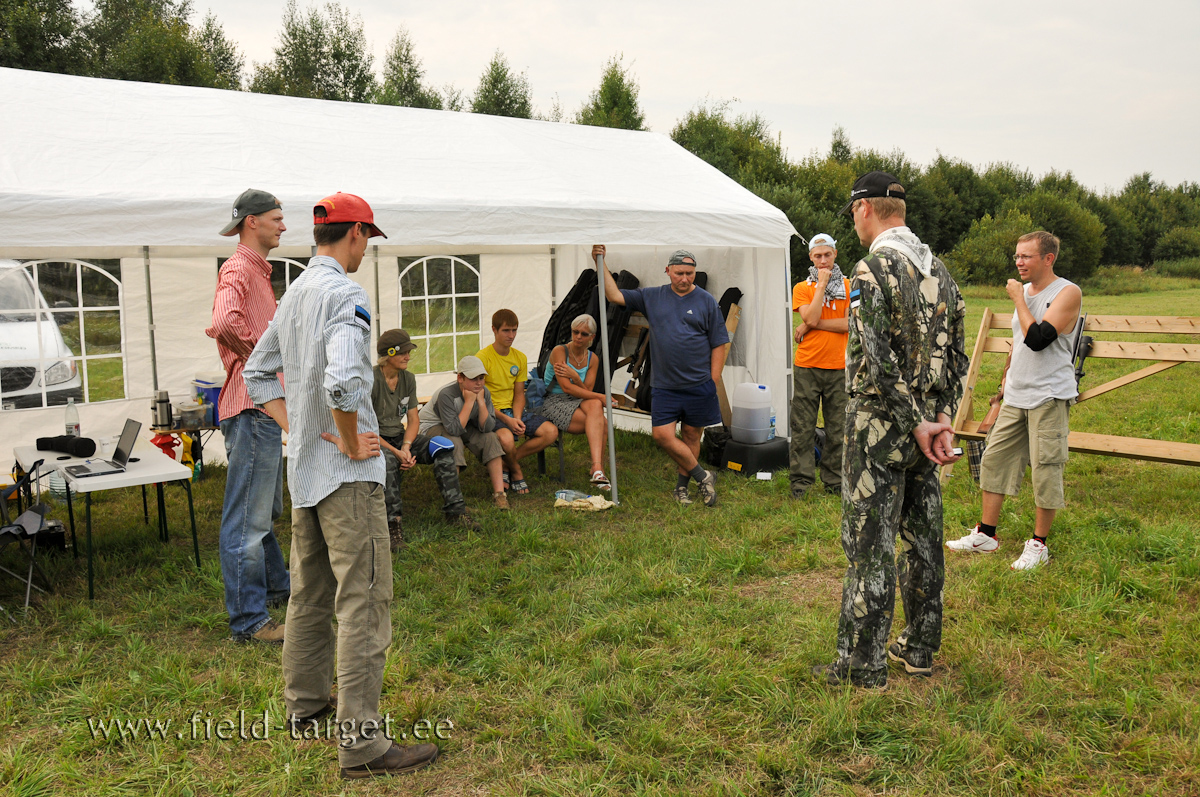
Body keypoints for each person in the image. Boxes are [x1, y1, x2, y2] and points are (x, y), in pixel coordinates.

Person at [244, 193, 439, 778]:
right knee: (365, 602)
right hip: (347, 479)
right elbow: (344, 384)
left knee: (309, 596)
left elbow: (257, 372)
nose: (366, 250)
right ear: (354, 235)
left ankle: (305, 707)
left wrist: (299, 429)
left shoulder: (297, 291)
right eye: (367, 239)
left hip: (305, 475)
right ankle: (361, 743)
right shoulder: (345, 295)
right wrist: (351, 438)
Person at [814, 171, 969, 689]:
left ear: (864, 210)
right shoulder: (940, 271)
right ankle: (920, 647)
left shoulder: (870, 269)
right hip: (926, 429)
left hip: (881, 427)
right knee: (922, 540)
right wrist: (941, 418)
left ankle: (862, 665)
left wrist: (919, 422)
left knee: (869, 543)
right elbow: (957, 358)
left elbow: (873, 359)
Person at [947, 231, 1081, 570]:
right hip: (1017, 394)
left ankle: (1039, 545)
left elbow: (1039, 339)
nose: (1018, 262)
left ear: (1048, 259)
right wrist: (1007, 377)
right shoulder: (1025, 292)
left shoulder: (1067, 292)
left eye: (1026, 256)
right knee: (994, 459)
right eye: (1017, 256)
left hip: (1049, 395)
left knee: (1045, 469)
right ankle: (987, 534)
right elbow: (1020, 342)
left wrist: (1019, 300)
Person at [206, 188, 290, 646]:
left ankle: (279, 587)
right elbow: (222, 323)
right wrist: (258, 363)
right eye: (277, 218)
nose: (283, 225)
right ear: (251, 222)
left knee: (264, 510)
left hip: (258, 407)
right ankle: (251, 623)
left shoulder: (256, 271)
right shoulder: (238, 267)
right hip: (252, 405)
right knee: (247, 520)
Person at [598, 245, 728, 506]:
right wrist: (599, 261)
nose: (685, 278)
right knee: (662, 436)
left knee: (692, 436)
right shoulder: (651, 297)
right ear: (667, 271)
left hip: (698, 385)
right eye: (679, 273)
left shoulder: (706, 301)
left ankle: (681, 488)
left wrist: (713, 380)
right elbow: (613, 296)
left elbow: (719, 343)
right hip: (665, 385)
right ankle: (703, 477)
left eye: (690, 273)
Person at [371, 328, 479, 551]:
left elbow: (413, 419)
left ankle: (456, 512)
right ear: (389, 354)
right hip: (376, 440)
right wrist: (397, 452)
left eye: (409, 352)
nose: (408, 357)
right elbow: (365, 427)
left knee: (444, 447)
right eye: (403, 352)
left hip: (401, 438)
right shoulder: (370, 379)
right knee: (389, 462)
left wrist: (407, 447)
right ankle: (393, 525)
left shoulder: (408, 378)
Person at [789, 233, 851, 499]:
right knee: (803, 427)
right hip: (808, 365)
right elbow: (812, 314)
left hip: (840, 366)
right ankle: (801, 483)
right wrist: (822, 286)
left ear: (835, 254)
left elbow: (852, 324)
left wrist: (810, 325)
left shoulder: (852, 285)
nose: (823, 261)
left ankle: (835, 481)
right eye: (818, 256)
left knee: (838, 428)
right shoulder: (802, 287)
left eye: (827, 255)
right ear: (811, 258)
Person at [476, 309, 559, 495]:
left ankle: (506, 463)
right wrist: (508, 421)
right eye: (506, 330)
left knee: (551, 432)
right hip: (491, 412)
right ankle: (516, 470)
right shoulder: (482, 358)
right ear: (494, 330)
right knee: (506, 438)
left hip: (514, 411)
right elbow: (480, 399)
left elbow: (520, 394)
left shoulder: (519, 357)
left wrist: (517, 418)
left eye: (514, 330)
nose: (511, 335)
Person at [417, 355, 510, 510]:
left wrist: (480, 402)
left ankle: (500, 495)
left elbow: (487, 427)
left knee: (490, 438)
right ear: (460, 378)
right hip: (432, 425)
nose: (479, 382)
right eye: (474, 378)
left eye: (481, 378)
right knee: (453, 443)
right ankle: (455, 501)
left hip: (462, 423)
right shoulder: (446, 394)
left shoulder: (483, 392)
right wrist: (468, 402)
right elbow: (453, 429)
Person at [540, 314, 613, 489]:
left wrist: (575, 376)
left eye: (584, 334)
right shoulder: (560, 351)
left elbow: (585, 391)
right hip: (553, 400)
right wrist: (602, 397)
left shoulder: (592, 358)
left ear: (592, 337)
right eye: (575, 332)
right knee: (601, 421)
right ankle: (598, 469)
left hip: (577, 399)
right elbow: (566, 388)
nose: (579, 336)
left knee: (595, 404)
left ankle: (596, 468)